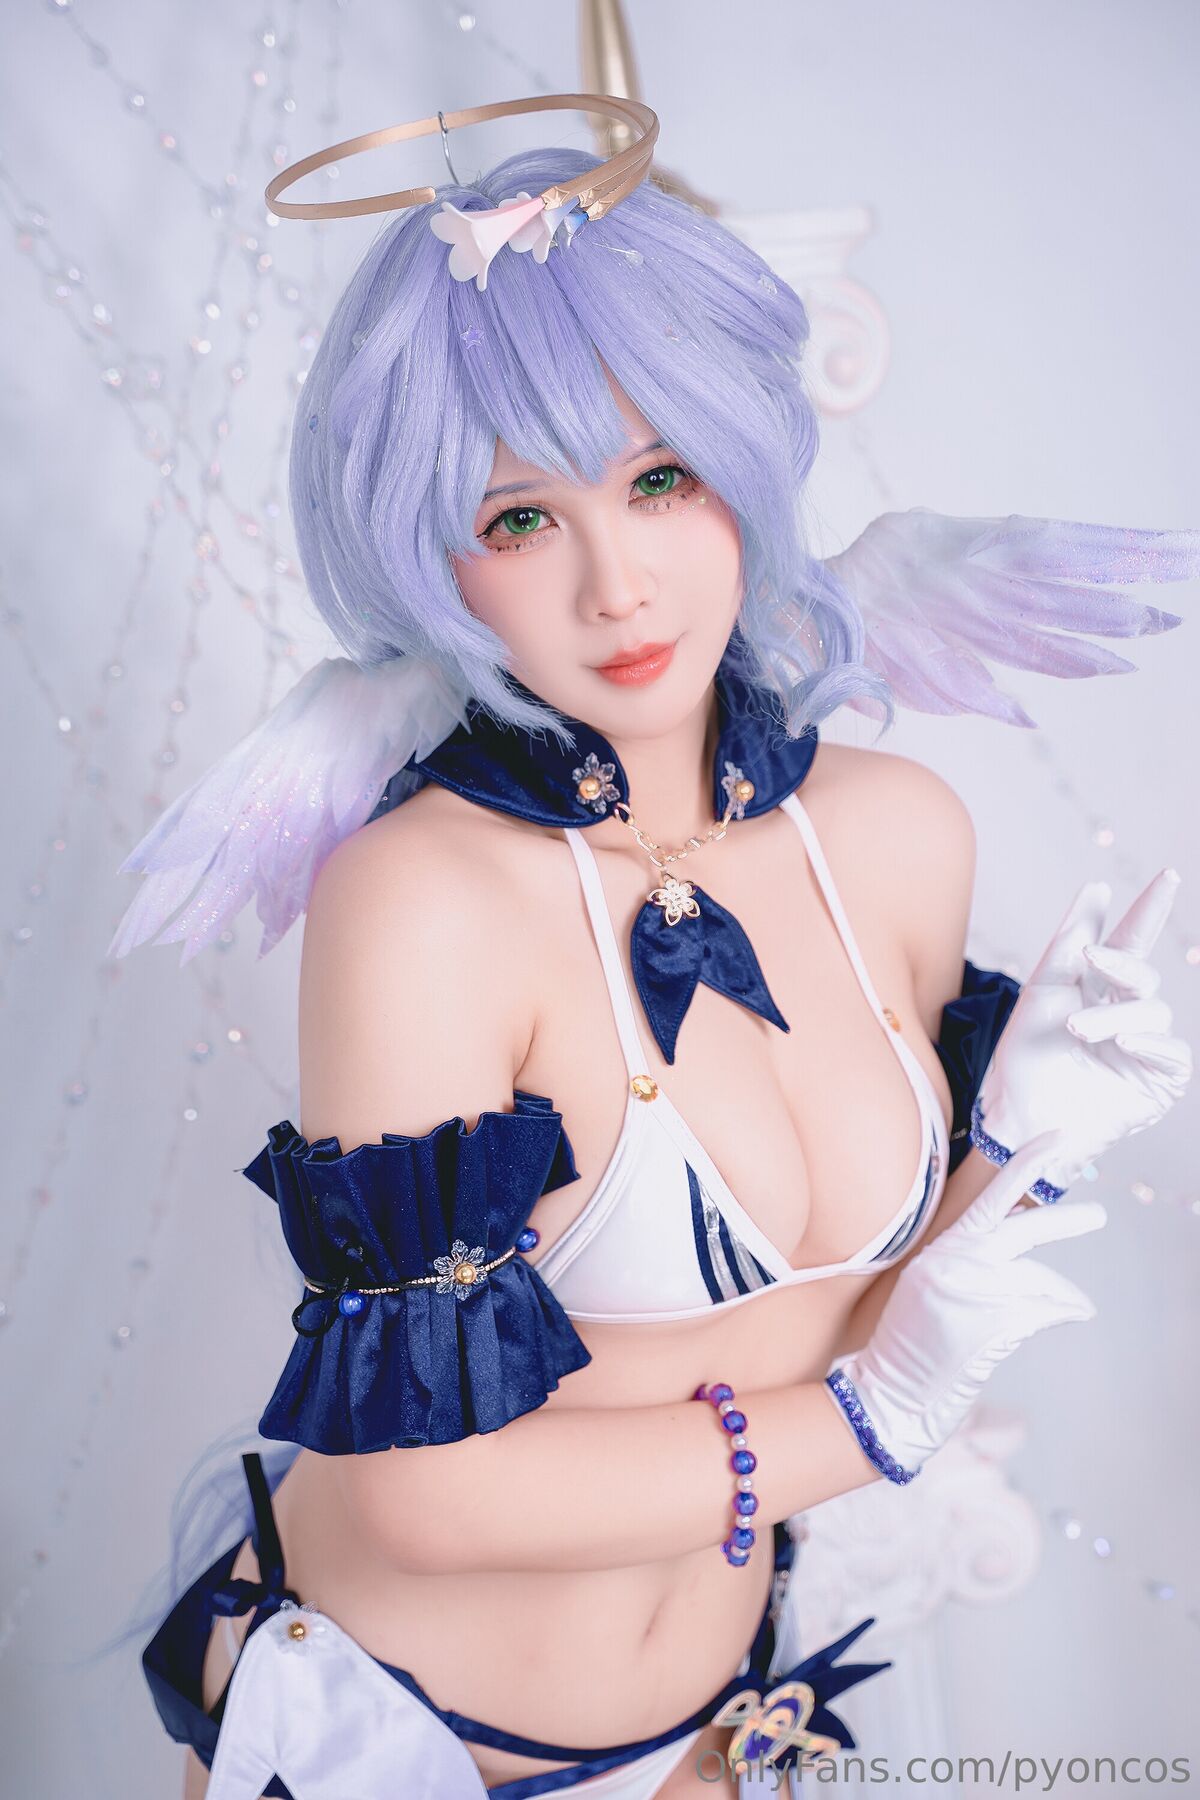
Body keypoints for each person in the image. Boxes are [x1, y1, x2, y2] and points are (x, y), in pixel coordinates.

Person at [110, 98, 1195, 1800]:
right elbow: (430, 1489)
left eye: (661, 478)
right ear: (431, 557)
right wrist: (871, 1428)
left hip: (718, 1729)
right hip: (396, 1743)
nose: (618, 586)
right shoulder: (424, 898)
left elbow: (862, 1311)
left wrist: (1017, 1140)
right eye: (520, 519)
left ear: (743, 461)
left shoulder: (897, 834)